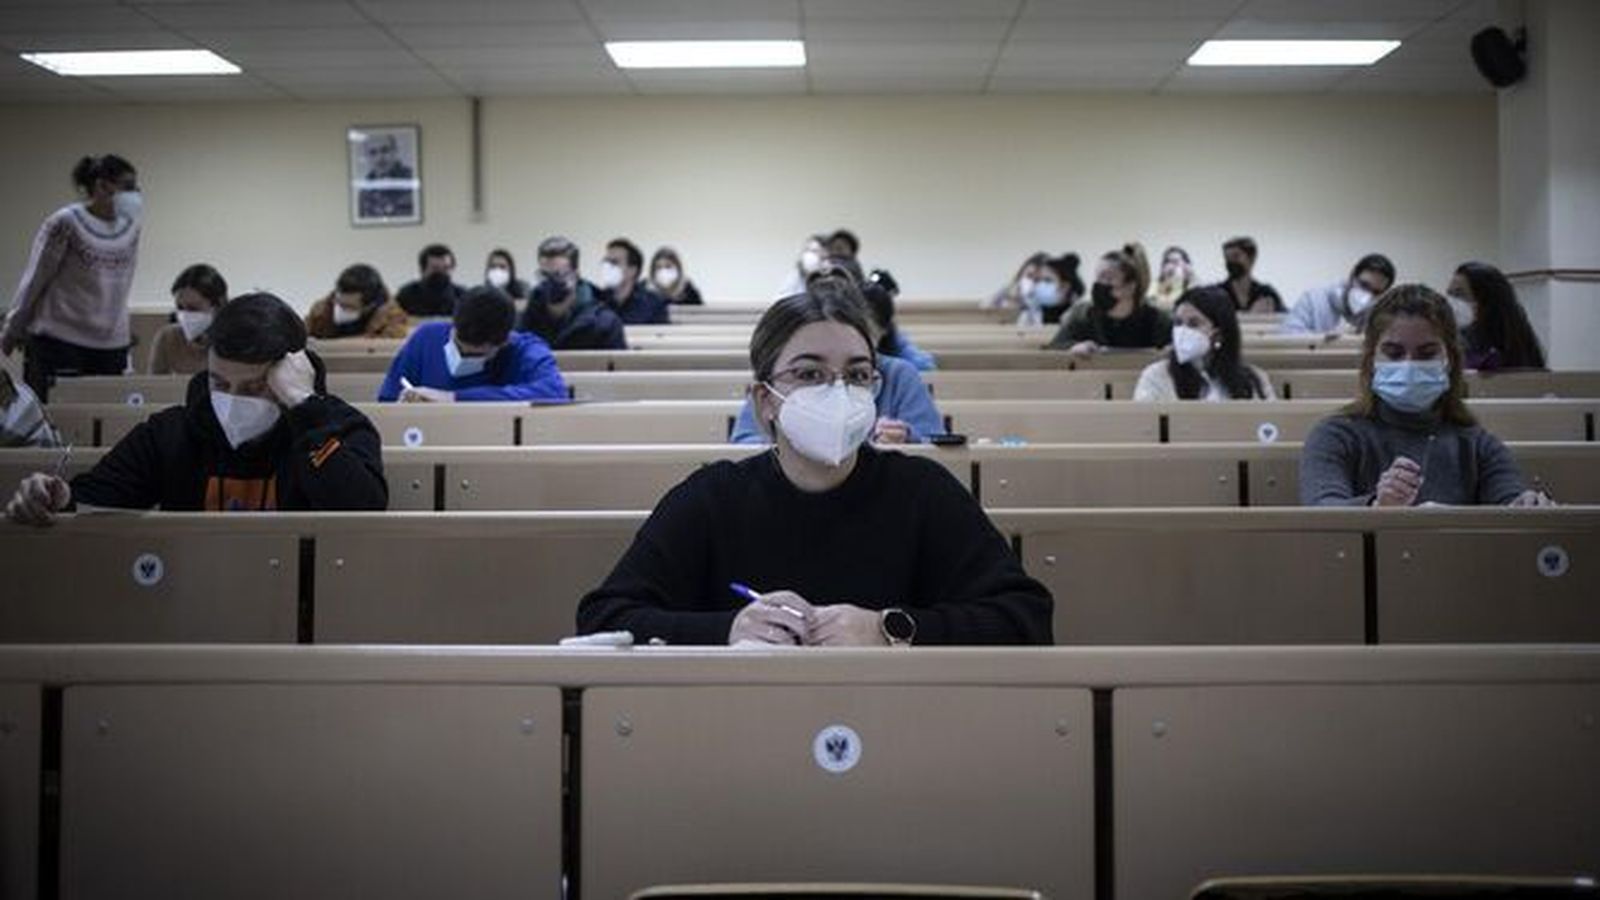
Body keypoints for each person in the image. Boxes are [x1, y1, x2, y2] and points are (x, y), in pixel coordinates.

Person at [575, 276, 1053, 646]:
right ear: (765, 400)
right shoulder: (712, 497)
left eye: (857, 374)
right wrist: (728, 629)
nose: (838, 391)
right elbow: (605, 616)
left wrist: (890, 629)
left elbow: (1026, 617)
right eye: (809, 373)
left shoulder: (922, 491)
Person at [5, 293, 388, 525]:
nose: (233, 401)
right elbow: (95, 498)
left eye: (255, 388)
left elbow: (362, 511)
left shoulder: (338, 428)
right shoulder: (171, 433)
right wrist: (55, 498)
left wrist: (304, 407)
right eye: (219, 383)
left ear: (292, 374)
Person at [1299, 284, 1551, 508]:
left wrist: (1526, 505)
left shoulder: (1477, 444)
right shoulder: (1336, 435)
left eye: (1427, 353)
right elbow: (1324, 510)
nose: (1409, 365)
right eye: (1394, 352)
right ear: (1371, 360)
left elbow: (1509, 501)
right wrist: (1377, 505)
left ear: (1449, 360)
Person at [730, 275, 944, 445]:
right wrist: (791, 443)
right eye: (810, 374)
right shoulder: (778, 381)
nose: (836, 386)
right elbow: (744, 442)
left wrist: (907, 437)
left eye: (857, 375)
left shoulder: (897, 374)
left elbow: (933, 439)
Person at [2, 155, 141, 402]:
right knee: (57, 417)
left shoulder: (131, 227)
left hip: (111, 344)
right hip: (60, 340)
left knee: (105, 421)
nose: (136, 193)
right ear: (101, 186)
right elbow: (35, 276)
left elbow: (121, 285)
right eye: (127, 186)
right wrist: (13, 328)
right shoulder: (65, 222)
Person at [379, 286, 567, 403]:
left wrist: (454, 398)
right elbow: (387, 398)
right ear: (453, 326)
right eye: (458, 347)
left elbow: (555, 393)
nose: (462, 358)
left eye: (475, 356)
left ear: (504, 342)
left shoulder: (525, 349)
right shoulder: (426, 337)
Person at [1133, 286, 1276, 401]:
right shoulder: (1156, 376)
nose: (1182, 331)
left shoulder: (1254, 380)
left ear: (1218, 334)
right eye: (1178, 323)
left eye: (1194, 323)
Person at [1050, 243, 1171, 357]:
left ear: (1130, 286)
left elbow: (1174, 349)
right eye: (1097, 277)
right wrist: (1074, 346)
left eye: (1107, 278)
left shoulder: (1157, 319)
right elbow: (1055, 347)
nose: (1099, 284)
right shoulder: (1082, 314)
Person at [519, 242, 627, 350]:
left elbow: (619, 365)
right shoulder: (526, 320)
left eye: (558, 275)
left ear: (576, 275)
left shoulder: (605, 323)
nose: (550, 282)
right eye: (544, 275)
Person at [1449, 261, 1547, 371]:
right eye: (1450, 294)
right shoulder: (1452, 340)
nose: (1451, 302)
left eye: (1459, 294)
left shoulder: (1516, 343)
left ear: (1486, 300)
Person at [1280, 254, 1396, 335]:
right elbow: (1286, 336)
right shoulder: (1312, 299)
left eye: (1375, 292)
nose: (1367, 296)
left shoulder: (1378, 315)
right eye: (1364, 285)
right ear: (1352, 276)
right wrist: (1327, 340)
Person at [148, 264, 227, 376]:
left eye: (193, 309)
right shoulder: (167, 337)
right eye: (180, 308)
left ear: (217, 306)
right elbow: (155, 387)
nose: (185, 316)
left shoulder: (234, 341)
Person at [304, 263, 409, 340]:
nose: (341, 310)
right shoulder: (321, 310)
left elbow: (388, 350)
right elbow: (303, 337)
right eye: (339, 303)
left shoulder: (393, 317)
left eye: (349, 307)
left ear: (370, 306)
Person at [861, 269, 936, 371]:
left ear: (884, 329)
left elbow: (924, 367)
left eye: (867, 327)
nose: (860, 335)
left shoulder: (898, 349)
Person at [597, 238, 670, 325]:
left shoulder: (653, 304)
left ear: (632, 270)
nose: (607, 267)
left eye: (614, 262)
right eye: (606, 261)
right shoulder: (597, 301)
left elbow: (661, 336)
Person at [0, 362, 62, 448]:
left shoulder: (20, 408)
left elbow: (7, 438)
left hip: (44, 456)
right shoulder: (18, 389)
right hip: (18, 456)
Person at [394, 243, 464, 317]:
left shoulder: (462, 296)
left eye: (446, 268)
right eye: (435, 268)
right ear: (422, 270)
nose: (441, 273)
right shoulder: (405, 295)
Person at [1217, 236, 1283, 313]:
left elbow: (1286, 318)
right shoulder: (1218, 294)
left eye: (1236, 257)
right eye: (1227, 258)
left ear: (1251, 259)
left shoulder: (1266, 293)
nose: (1231, 262)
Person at [777, 234, 830, 298]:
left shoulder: (832, 274)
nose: (809, 256)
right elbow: (781, 297)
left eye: (814, 251)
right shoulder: (797, 273)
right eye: (807, 250)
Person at [1149, 246, 1196, 310]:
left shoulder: (1193, 286)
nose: (1172, 266)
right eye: (1168, 262)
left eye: (1176, 262)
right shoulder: (1154, 285)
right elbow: (1153, 305)